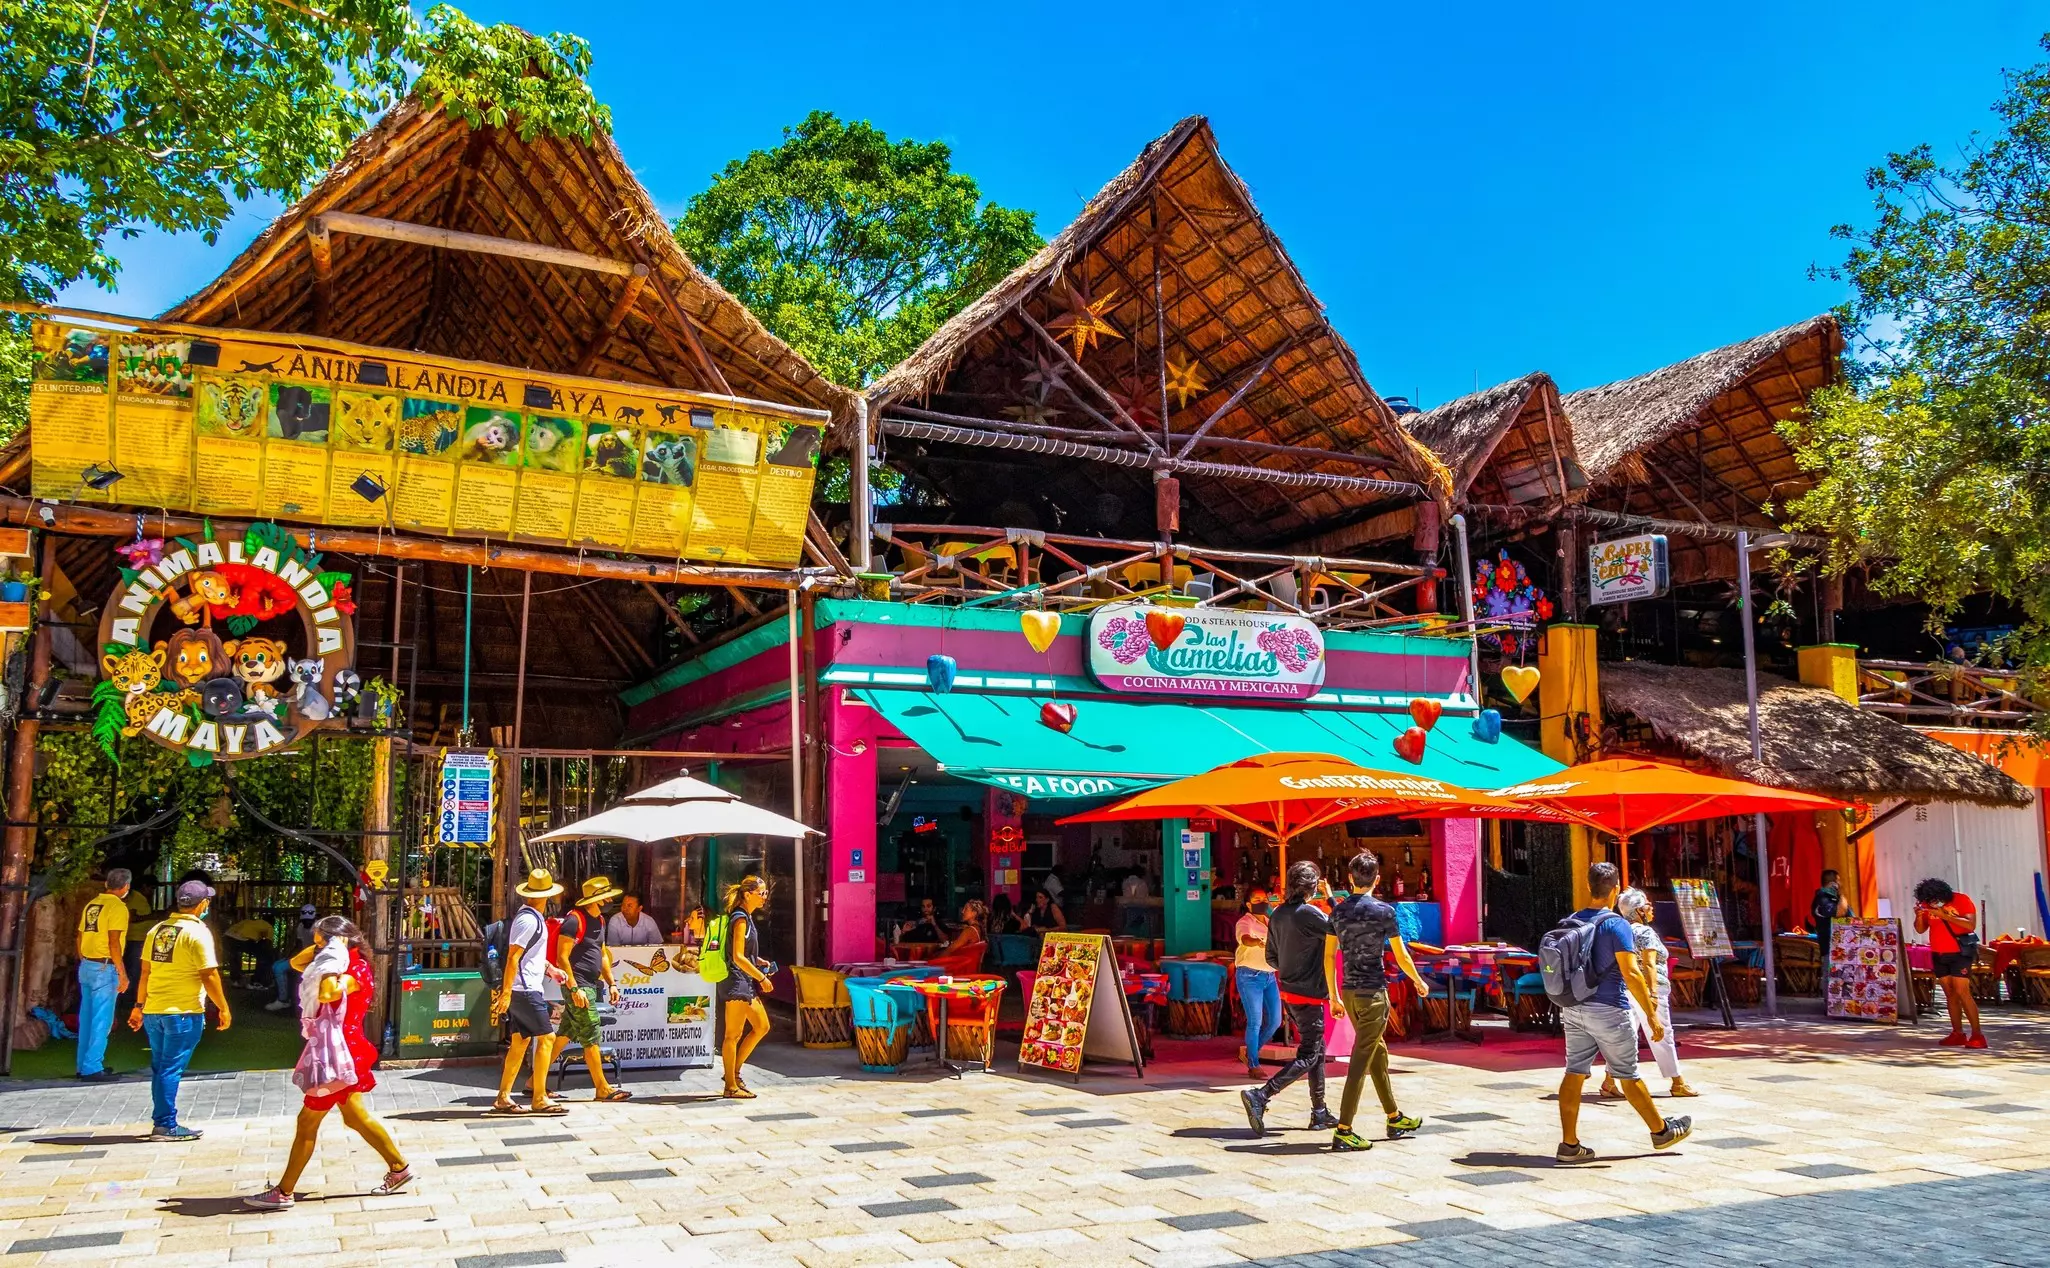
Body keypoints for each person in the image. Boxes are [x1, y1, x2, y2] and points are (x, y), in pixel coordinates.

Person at [243, 916, 411, 1209]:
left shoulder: (355, 968)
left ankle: (284, 1192)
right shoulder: (337, 961)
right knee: (355, 1117)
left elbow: (327, 993)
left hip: (339, 1056)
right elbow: (296, 963)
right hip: (341, 1051)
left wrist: (332, 957)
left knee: (307, 1121)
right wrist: (325, 949)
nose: (318, 947)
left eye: (323, 940)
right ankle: (399, 1168)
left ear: (341, 940)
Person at [1555, 862, 1692, 1163]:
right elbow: (1631, 972)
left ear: (1588, 886)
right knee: (1628, 1073)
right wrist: (1651, 1014)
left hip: (1574, 1007)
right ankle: (1661, 1132)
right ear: (1615, 889)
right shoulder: (1616, 925)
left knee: (1574, 1072)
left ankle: (1569, 1145)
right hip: (1609, 1009)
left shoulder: (1572, 920)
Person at [1328, 852, 1430, 1151]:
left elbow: (1328, 956)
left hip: (1349, 993)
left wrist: (1334, 996)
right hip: (1372, 993)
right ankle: (1344, 1129)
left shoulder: (1337, 912)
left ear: (1350, 878)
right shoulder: (1384, 911)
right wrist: (1418, 980)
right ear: (1377, 879)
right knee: (1360, 1060)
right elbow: (1401, 954)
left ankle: (1394, 1116)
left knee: (1377, 1054)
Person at [126, 880, 230, 1142]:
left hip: (154, 1011)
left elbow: (146, 972)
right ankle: (166, 1126)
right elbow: (209, 974)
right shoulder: (198, 932)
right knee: (170, 1069)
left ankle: (162, 1121)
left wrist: (138, 1006)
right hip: (183, 1011)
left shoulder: (158, 930)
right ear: (202, 904)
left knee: (161, 1068)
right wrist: (223, 1007)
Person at [1240, 861, 1339, 1135]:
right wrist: (1331, 899)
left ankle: (1319, 1111)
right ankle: (1261, 1095)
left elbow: (1272, 958)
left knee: (1317, 1050)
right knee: (1309, 1054)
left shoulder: (1278, 915)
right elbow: (1341, 930)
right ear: (1311, 888)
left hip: (1289, 990)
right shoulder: (1310, 914)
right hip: (1310, 992)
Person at [1602, 888, 1696, 1100]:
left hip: (1627, 988)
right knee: (1662, 1033)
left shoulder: (1621, 931)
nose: (1651, 907)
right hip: (1649, 988)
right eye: (1647, 904)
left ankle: (1609, 1081)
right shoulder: (1646, 932)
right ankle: (1677, 1082)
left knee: (1627, 1036)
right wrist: (1653, 994)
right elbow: (1649, 964)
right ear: (1638, 910)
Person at [491, 869, 568, 1115]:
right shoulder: (529, 920)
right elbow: (513, 957)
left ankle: (503, 1097)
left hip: (524, 987)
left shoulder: (532, 918)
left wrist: (550, 969)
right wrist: (506, 993)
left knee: (520, 1042)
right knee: (547, 1038)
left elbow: (527, 956)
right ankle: (539, 1097)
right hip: (524, 989)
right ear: (546, 895)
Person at [556, 875, 630, 1102]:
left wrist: (612, 983)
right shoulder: (574, 921)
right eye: (606, 898)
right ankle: (602, 1088)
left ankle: (533, 1082)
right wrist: (574, 988)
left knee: (564, 1035)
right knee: (591, 1035)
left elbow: (603, 954)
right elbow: (562, 957)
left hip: (589, 985)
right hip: (578, 987)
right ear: (595, 900)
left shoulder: (600, 921)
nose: (609, 901)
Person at [75, 868, 133, 1082]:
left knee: (86, 1019)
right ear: (126, 886)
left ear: (106, 884)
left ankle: (83, 1065)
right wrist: (122, 973)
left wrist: (84, 959)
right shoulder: (117, 907)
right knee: (102, 1020)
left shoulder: (92, 904)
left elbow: (79, 936)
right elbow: (113, 942)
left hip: (87, 965)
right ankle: (92, 1067)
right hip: (104, 967)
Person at [719, 875, 775, 1099]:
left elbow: (744, 953)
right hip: (736, 981)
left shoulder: (747, 917)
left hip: (744, 981)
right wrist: (761, 978)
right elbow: (738, 957)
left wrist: (757, 960)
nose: (764, 897)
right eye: (761, 893)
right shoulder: (740, 918)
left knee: (762, 1026)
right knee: (732, 1035)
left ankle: (733, 1073)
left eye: (766, 893)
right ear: (747, 894)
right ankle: (730, 1086)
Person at [1915, 877, 1984, 1048]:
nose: (1932, 903)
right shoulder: (1926, 905)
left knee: (1962, 991)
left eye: (1934, 899)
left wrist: (1944, 915)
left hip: (1959, 952)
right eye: (1928, 900)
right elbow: (1920, 929)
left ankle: (1977, 1035)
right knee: (1950, 993)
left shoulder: (1961, 900)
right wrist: (1919, 916)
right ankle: (1957, 1033)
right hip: (1938, 952)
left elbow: (1970, 925)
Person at [1233, 889, 1279, 1079]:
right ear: (1248, 904)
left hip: (1270, 976)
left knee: (1275, 1021)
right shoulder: (1245, 922)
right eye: (1257, 899)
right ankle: (1253, 1064)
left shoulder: (1271, 921)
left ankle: (1250, 1052)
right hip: (1249, 976)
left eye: (1264, 899)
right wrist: (1257, 942)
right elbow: (1244, 938)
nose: (1262, 902)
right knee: (1255, 1021)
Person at [266, 906, 319, 1012]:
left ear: (314, 918)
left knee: (280, 968)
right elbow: (299, 945)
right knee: (277, 966)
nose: (307, 922)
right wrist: (290, 957)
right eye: (304, 920)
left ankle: (284, 999)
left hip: (315, 960)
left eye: (309, 920)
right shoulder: (300, 927)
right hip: (303, 957)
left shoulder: (319, 928)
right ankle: (283, 998)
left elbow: (320, 948)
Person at [117, 881, 153, 1014]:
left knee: (135, 971)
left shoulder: (139, 898)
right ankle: (127, 1000)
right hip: (135, 939)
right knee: (134, 971)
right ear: (144, 886)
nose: (152, 891)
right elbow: (131, 917)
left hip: (138, 938)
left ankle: (129, 999)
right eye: (151, 887)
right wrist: (153, 916)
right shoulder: (135, 897)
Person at [1809, 869, 1851, 972]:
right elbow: (1839, 912)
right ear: (1833, 883)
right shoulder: (1822, 899)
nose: (1841, 884)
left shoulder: (1835, 899)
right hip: (1830, 949)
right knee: (1830, 979)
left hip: (1844, 948)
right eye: (1839, 881)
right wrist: (1841, 894)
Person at [223, 911, 275, 989]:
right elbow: (267, 944)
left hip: (227, 937)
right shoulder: (269, 926)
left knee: (234, 958)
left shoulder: (249, 922)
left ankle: (236, 981)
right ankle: (257, 981)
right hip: (242, 940)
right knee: (264, 957)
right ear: (272, 923)